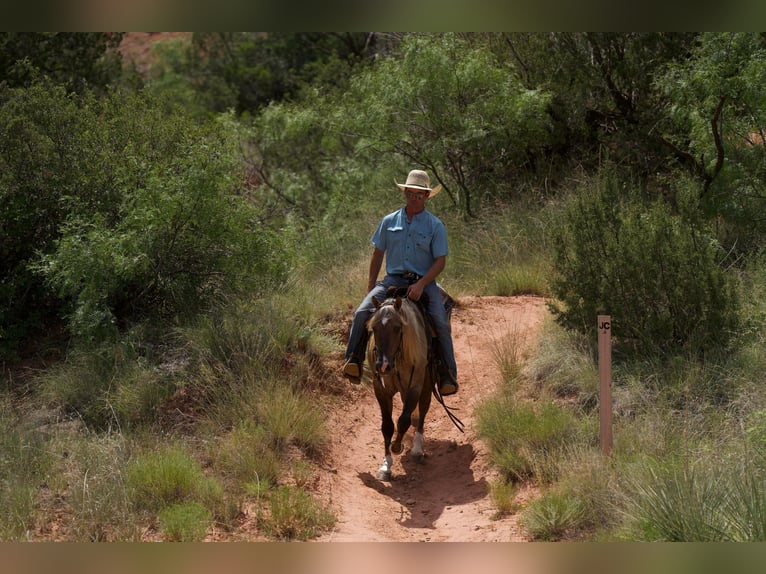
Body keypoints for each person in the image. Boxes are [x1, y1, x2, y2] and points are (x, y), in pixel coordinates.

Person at [342, 169, 458, 396]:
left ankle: (447, 374)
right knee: (361, 313)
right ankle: (354, 360)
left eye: (419, 195)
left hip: (422, 283)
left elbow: (440, 261)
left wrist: (422, 284)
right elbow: (377, 255)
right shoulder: (388, 221)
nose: (413, 199)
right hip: (391, 281)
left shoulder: (435, 226)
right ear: (405, 193)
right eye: (410, 194)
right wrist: (371, 287)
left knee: (440, 324)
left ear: (426, 196)